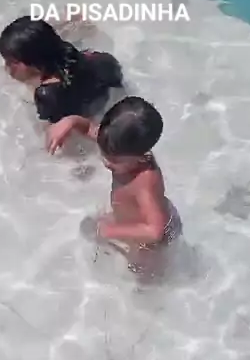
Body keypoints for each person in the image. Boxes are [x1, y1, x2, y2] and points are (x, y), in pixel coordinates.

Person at [47, 96, 182, 276]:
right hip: (134, 219)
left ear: (141, 158)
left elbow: (155, 230)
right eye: (104, 153)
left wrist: (111, 231)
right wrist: (70, 121)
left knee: (143, 277)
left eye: (114, 160)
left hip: (153, 243)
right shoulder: (114, 142)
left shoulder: (145, 181)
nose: (106, 161)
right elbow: (88, 128)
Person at [0, 16, 123, 126]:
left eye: (12, 62)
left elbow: (50, 133)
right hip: (108, 68)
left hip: (99, 102)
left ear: (34, 61)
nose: (6, 67)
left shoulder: (47, 95)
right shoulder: (67, 51)